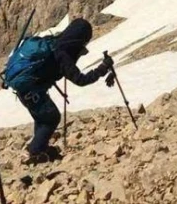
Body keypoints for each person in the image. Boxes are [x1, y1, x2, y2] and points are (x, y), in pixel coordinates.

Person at [15, 18, 113, 164]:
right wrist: (102, 68)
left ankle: (40, 147)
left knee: (42, 117)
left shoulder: (53, 42)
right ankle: (35, 152)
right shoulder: (63, 54)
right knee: (52, 118)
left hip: (24, 88)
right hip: (32, 91)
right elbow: (80, 80)